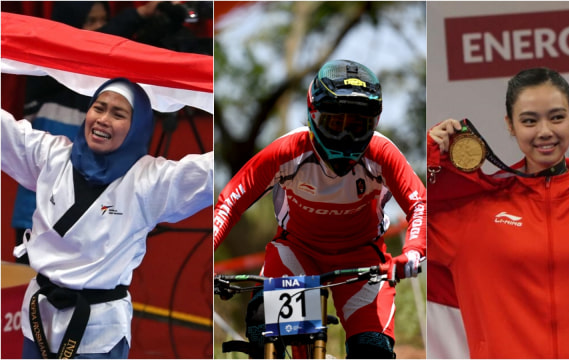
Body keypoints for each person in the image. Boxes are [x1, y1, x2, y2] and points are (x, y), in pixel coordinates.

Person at [213, 59, 426, 358]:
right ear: (312, 114)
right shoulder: (287, 151)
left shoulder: (383, 153)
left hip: (363, 260)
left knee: (372, 352)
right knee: (262, 329)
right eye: (334, 123)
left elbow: (420, 204)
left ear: (373, 123)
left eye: (356, 126)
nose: (344, 135)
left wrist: (414, 250)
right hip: (298, 255)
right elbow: (230, 202)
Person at [427, 67, 569, 358]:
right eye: (529, 121)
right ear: (510, 125)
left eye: (557, 117)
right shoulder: (472, 212)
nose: (545, 132)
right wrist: (432, 154)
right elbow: (410, 207)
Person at [1, 77, 213, 359]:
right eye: (98, 108)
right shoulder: (52, 156)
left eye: (118, 114)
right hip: (40, 317)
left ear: (137, 126)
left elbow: (209, 171)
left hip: (98, 330)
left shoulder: (149, 181)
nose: (103, 119)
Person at [11, 1, 161, 264]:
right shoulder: (50, 67)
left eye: (103, 19)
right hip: (37, 213)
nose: (99, 28)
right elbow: (88, 46)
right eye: (90, 21)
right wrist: (139, 14)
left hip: (97, 218)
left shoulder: (117, 85)